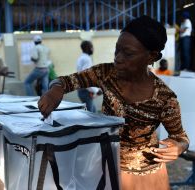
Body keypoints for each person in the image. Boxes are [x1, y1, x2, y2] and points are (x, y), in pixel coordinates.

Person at [38, 16, 189, 190]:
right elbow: (65, 81)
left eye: (128, 53)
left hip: (146, 177)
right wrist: (55, 90)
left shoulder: (164, 98)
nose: (118, 58)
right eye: (117, 50)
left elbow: (180, 137)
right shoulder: (106, 73)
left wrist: (178, 147)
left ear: (151, 56)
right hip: (104, 165)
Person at [76, 41, 101, 112]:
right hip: (86, 91)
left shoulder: (81, 58)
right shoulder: (87, 59)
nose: (93, 49)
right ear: (89, 48)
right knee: (91, 114)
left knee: (92, 111)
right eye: (92, 47)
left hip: (82, 89)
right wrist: (96, 90)